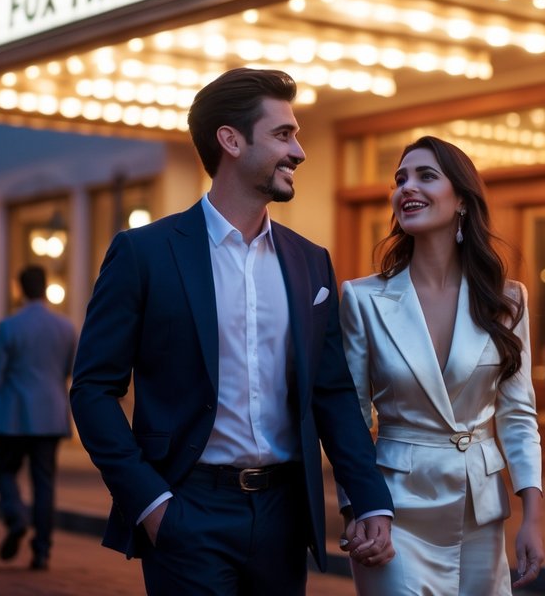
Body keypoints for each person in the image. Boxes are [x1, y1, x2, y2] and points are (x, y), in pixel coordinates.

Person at [71, 67, 394, 595]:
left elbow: (332, 391)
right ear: (231, 141)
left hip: (285, 513)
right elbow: (92, 390)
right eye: (283, 134)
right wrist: (152, 505)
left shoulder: (310, 262)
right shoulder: (144, 254)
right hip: (187, 509)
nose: (300, 152)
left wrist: (370, 497)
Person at [340, 135, 544, 594]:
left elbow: (517, 413)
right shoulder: (363, 297)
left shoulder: (507, 300)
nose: (407, 187)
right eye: (400, 179)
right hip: (391, 510)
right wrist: (356, 508)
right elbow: (350, 416)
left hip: (481, 512)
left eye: (426, 176)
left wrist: (533, 515)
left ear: (462, 202)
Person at [0, 265, 77, 571]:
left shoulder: (8, 327)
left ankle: (16, 516)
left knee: (6, 471)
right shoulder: (65, 328)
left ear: (19, 289)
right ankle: (42, 550)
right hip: (50, 413)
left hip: (13, 412)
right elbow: (68, 369)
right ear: (45, 286)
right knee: (45, 483)